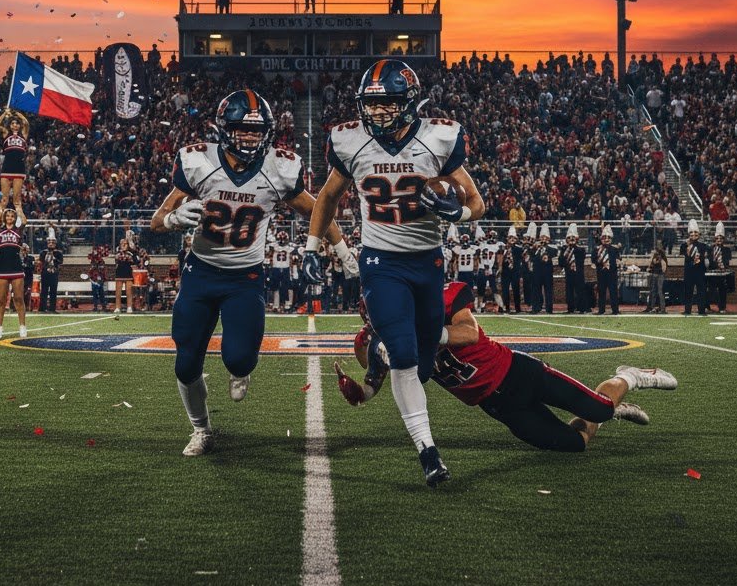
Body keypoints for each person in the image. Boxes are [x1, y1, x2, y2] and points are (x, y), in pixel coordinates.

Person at [150, 88, 357, 457]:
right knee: (186, 362)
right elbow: (156, 220)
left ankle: (240, 369)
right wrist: (173, 218)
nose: (249, 137)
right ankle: (201, 429)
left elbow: (319, 210)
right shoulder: (199, 162)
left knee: (240, 358)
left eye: (256, 130)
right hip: (200, 273)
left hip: (244, 278)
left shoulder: (278, 167)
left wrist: (342, 249)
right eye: (242, 130)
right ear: (224, 129)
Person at [307, 59, 485, 486]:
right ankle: (428, 453)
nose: (378, 112)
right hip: (380, 262)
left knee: (421, 363)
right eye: (372, 104)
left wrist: (457, 213)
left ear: (409, 103)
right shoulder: (350, 140)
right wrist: (313, 245)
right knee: (406, 357)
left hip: (427, 262)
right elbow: (328, 197)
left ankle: (381, 351)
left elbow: (476, 202)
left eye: (387, 103)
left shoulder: (438, 137)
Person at [335, 280, 676, 454]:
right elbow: (376, 378)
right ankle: (608, 409)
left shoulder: (438, 302)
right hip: (496, 406)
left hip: (517, 373)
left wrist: (425, 334)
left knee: (599, 409)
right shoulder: (379, 343)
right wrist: (360, 392)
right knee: (575, 444)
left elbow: (469, 333)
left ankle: (630, 376)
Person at [0, 201, 28, 339]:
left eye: (12, 216)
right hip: (2, 267)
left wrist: (18, 208)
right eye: (7, 216)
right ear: (4, 217)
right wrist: (0, 209)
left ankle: (22, 326)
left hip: (16, 267)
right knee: (1, 299)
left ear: (14, 218)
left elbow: (24, 221)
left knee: (18, 298)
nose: (9, 218)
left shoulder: (18, 230)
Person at [0, 108, 30, 211]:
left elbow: (26, 123)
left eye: (17, 123)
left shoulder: (23, 134)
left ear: (20, 125)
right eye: (13, 123)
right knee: (4, 200)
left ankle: (21, 220)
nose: (15, 125)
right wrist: (4, 113)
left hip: (19, 167)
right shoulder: (6, 133)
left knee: (17, 201)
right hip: (7, 166)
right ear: (9, 125)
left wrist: (18, 114)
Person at [681, 219, 709, 316]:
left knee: (701, 291)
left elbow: (706, 255)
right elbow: (682, 251)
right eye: (691, 233)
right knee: (688, 291)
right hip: (689, 272)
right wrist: (687, 244)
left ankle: (701, 310)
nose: (693, 234)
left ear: (699, 234)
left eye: (696, 232)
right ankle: (687, 310)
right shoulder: (684, 245)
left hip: (700, 272)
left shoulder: (703, 246)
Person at [559, 224, 588, 314]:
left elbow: (581, 257)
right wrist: (566, 249)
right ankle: (570, 308)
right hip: (569, 273)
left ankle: (582, 308)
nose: (571, 239)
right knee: (569, 291)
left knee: (580, 291)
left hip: (578, 273)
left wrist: (572, 247)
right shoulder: (564, 250)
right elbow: (561, 262)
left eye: (573, 238)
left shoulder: (580, 249)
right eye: (569, 238)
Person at [593, 225, 621, 315]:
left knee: (613, 292)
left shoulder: (615, 249)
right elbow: (593, 260)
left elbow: (618, 260)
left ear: (611, 239)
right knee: (601, 292)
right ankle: (601, 310)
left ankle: (615, 310)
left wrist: (618, 263)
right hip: (601, 273)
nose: (606, 240)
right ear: (601, 239)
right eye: (604, 238)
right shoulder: (597, 249)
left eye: (608, 238)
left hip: (612, 273)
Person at [530, 224, 555, 314]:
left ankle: (549, 309)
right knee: (536, 290)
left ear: (548, 239)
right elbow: (531, 258)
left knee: (548, 291)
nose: (543, 239)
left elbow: (554, 258)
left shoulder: (552, 249)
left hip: (547, 273)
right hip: (537, 273)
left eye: (545, 237)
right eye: (542, 237)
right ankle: (536, 308)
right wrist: (534, 248)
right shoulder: (535, 249)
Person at [708, 221, 732, 314]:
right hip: (712, 273)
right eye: (717, 238)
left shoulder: (727, 250)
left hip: (722, 273)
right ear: (715, 239)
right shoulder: (710, 249)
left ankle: (722, 307)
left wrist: (722, 265)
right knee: (710, 290)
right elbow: (709, 261)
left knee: (723, 291)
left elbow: (727, 262)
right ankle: (708, 307)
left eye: (721, 238)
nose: (719, 240)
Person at [39, 236, 63, 313]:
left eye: (53, 242)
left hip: (54, 273)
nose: (51, 244)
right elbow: (41, 262)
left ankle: (52, 308)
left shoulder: (58, 253)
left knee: (53, 291)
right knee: (44, 291)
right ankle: (42, 308)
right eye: (49, 242)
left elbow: (60, 262)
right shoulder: (43, 252)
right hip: (45, 273)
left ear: (55, 244)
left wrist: (54, 259)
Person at [112, 237, 135, 315]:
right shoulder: (117, 253)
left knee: (129, 292)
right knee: (118, 292)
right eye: (122, 244)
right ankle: (118, 307)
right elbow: (117, 259)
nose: (124, 245)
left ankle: (129, 307)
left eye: (125, 244)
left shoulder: (130, 254)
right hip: (119, 273)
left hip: (128, 273)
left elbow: (133, 261)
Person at [644, 246, 668, 314]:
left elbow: (664, 269)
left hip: (660, 275)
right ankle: (651, 308)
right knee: (653, 291)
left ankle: (662, 309)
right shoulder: (655, 259)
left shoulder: (662, 260)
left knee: (660, 292)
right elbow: (650, 265)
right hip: (655, 275)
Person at [88, 243, 109, 312]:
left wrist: (103, 278)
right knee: (95, 293)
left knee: (102, 293)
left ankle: (103, 306)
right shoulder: (92, 259)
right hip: (94, 279)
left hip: (101, 279)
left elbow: (103, 270)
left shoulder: (101, 261)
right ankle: (95, 306)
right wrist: (91, 277)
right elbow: (91, 270)